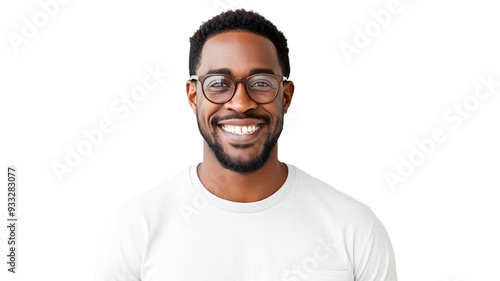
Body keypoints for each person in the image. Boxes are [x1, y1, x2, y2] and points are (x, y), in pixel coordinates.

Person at [95, 9, 397, 281]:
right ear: (193, 96)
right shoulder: (136, 228)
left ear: (286, 96)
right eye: (218, 84)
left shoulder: (355, 229)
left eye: (261, 83)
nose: (240, 103)